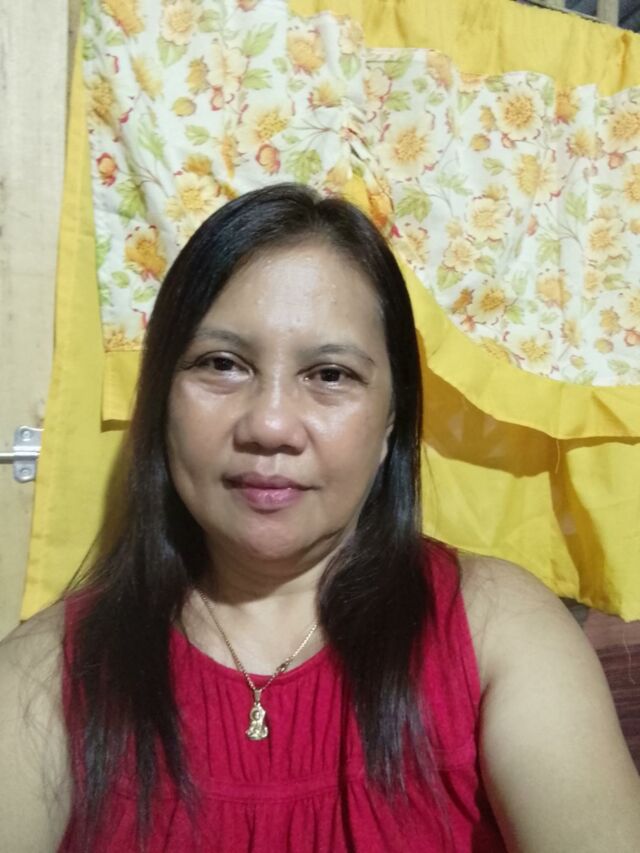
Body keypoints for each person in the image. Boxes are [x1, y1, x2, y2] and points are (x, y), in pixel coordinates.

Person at [1, 183, 639, 853]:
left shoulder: (501, 631)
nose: (270, 425)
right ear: (162, 398)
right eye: (221, 364)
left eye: (330, 374)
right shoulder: (41, 678)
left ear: (391, 421)